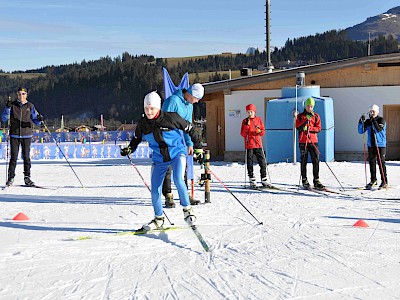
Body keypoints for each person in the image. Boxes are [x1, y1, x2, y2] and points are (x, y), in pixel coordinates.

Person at [120, 91, 204, 230]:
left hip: (177, 153)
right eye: (146, 108)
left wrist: (198, 147)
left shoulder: (171, 118)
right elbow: (136, 138)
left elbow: (190, 129)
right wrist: (129, 149)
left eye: (152, 108)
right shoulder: (143, 124)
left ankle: (188, 211)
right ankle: (159, 218)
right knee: (155, 190)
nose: (149, 111)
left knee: (178, 178)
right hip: (159, 158)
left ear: (158, 107)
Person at [161, 83, 204, 208]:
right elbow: (164, 122)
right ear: (191, 94)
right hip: (166, 139)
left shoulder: (189, 105)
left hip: (178, 140)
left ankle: (184, 194)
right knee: (167, 167)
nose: (196, 102)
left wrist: (190, 143)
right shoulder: (173, 101)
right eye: (196, 98)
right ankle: (168, 195)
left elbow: (187, 126)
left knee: (182, 165)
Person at [1, 87, 43, 187]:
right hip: (14, 134)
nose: (21, 96)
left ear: (26, 95)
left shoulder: (30, 106)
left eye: (23, 94)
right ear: (17, 95)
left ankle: (27, 177)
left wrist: (39, 119)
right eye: (20, 94)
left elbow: (35, 120)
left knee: (26, 157)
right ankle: (10, 178)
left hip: (26, 134)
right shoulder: (12, 105)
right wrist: (7, 108)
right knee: (13, 158)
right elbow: (4, 118)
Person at [295, 97, 325, 190]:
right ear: (305, 106)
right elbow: (298, 127)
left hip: (313, 141)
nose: (310, 108)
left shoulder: (316, 116)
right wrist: (305, 122)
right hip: (303, 141)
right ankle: (304, 179)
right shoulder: (300, 116)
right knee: (303, 161)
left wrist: (310, 129)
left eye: (311, 106)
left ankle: (316, 180)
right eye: (308, 106)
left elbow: (319, 128)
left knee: (315, 160)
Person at [358, 104, 387, 189]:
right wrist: (360, 122)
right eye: (370, 111)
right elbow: (361, 131)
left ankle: (384, 181)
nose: (372, 112)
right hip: (371, 145)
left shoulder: (381, 120)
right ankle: (373, 180)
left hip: (380, 145)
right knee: (372, 163)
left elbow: (378, 129)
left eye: (373, 111)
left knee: (381, 163)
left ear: (377, 112)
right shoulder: (368, 121)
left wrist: (373, 120)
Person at [240, 103, 268, 188]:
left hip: (258, 144)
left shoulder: (258, 120)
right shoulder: (245, 121)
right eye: (248, 112)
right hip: (249, 145)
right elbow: (243, 134)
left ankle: (264, 178)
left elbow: (263, 132)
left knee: (262, 162)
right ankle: (251, 178)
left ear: (254, 111)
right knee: (250, 163)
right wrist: (247, 126)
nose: (250, 113)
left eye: (251, 111)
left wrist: (259, 131)